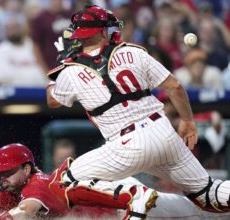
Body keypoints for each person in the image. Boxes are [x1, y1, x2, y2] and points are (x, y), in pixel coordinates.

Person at [45, 5, 230, 218]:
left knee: (63, 182)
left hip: (126, 146)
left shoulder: (70, 71)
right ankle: (139, 200)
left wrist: (61, 64)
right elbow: (175, 86)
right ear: (103, 31)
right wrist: (188, 120)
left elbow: (53, 100)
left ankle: (133, 197)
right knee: (209, 194)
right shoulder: (132, 51)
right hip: (164, 132)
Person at [0, 143, 230, 220]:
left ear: (27, 167)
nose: (3, 178)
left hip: (140, 209)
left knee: (207, 209)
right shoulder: (12, 186)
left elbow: (27, 211)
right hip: (119, 208)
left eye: (8, 172)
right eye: (1, 173)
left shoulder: (36, 186)